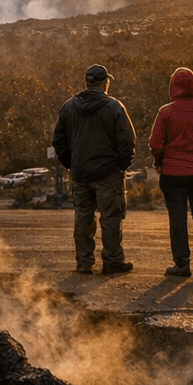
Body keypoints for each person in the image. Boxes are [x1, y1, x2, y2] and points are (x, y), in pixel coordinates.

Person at [52, 64, 136, 275]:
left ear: (88, 83)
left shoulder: (69, 107)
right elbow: (128, 141)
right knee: (111, 218)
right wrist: (121, 167)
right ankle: (112, 261)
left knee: (83, 217)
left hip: (80, 174)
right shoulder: (115, 107)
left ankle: (83, 262)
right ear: (105, 83)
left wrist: (72, 164)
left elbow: (58, 141)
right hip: (108, 174)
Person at [148, 67, 193, 278]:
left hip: (173, 173)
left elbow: (155, 143)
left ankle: (181, 265)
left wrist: (159, 161)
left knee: (178, 219)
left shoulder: (166, 112)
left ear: (173, 86)